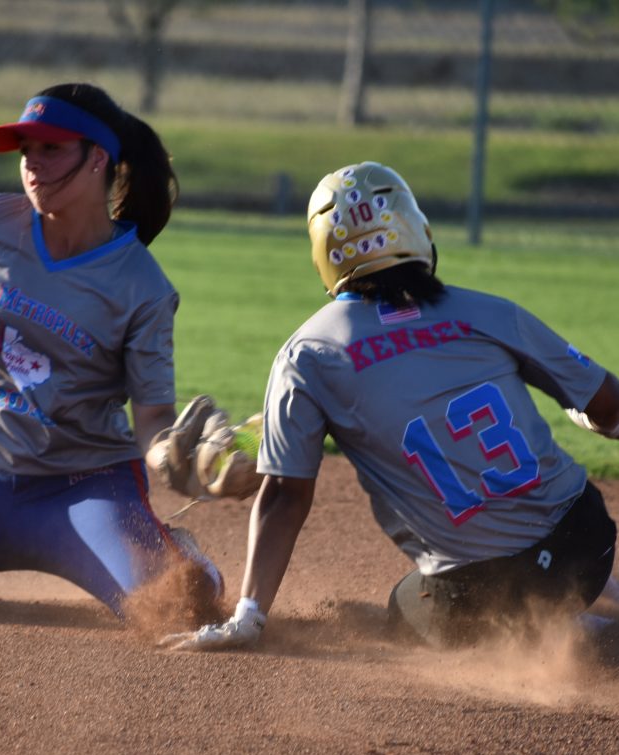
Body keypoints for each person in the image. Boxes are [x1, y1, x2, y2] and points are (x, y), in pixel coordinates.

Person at [161, 160, 619, 651]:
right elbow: (609, 406)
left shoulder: (309, 352)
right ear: (418, 229)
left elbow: (284, 497)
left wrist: (246, 618)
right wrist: (582, 409)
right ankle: (590, 604)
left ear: (324, 256)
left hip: (482, 592)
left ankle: (582, 641)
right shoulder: (490, 310)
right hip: (587, 542)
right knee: (554, 554)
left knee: (407, 610)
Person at [0, 82, 239, 618]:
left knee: (177, 610)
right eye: (26, 152)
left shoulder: (141, 285)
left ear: (98, 158)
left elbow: (152, 415)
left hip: (84, 489)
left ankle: (182, 554)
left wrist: (170, 456)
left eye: (51, 148)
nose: (32, 165)